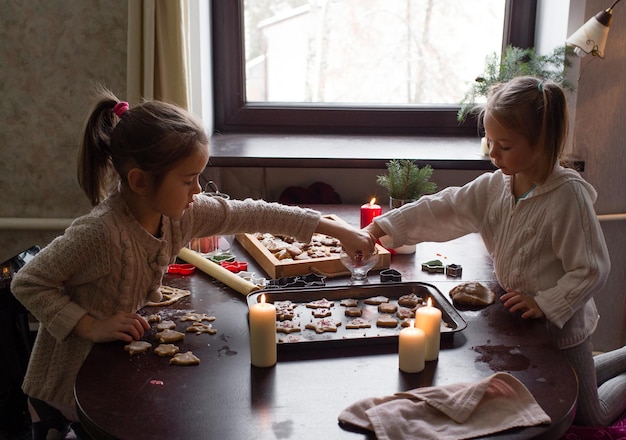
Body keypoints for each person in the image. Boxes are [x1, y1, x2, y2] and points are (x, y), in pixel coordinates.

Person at [11, 87, 373, 439]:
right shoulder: (99, 233)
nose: (198, 190)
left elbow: (254, 213)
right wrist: (89, 325)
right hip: (65, 392)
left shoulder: (183, 214)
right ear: (139, 182)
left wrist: (336, 230)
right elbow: (26, 282)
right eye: (188, 180)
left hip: (112, 365)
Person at [363, 76, 626, 427]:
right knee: (565, 384)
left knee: (591, 416)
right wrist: (384, 226)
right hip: (519, 321)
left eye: (504, 144)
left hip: (561, 329)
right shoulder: (495, 186)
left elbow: (592, 269)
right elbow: (446, 206)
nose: (493, 153)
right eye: (489, 140)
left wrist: (545, 302)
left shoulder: (568, 198)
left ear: (542, 144)